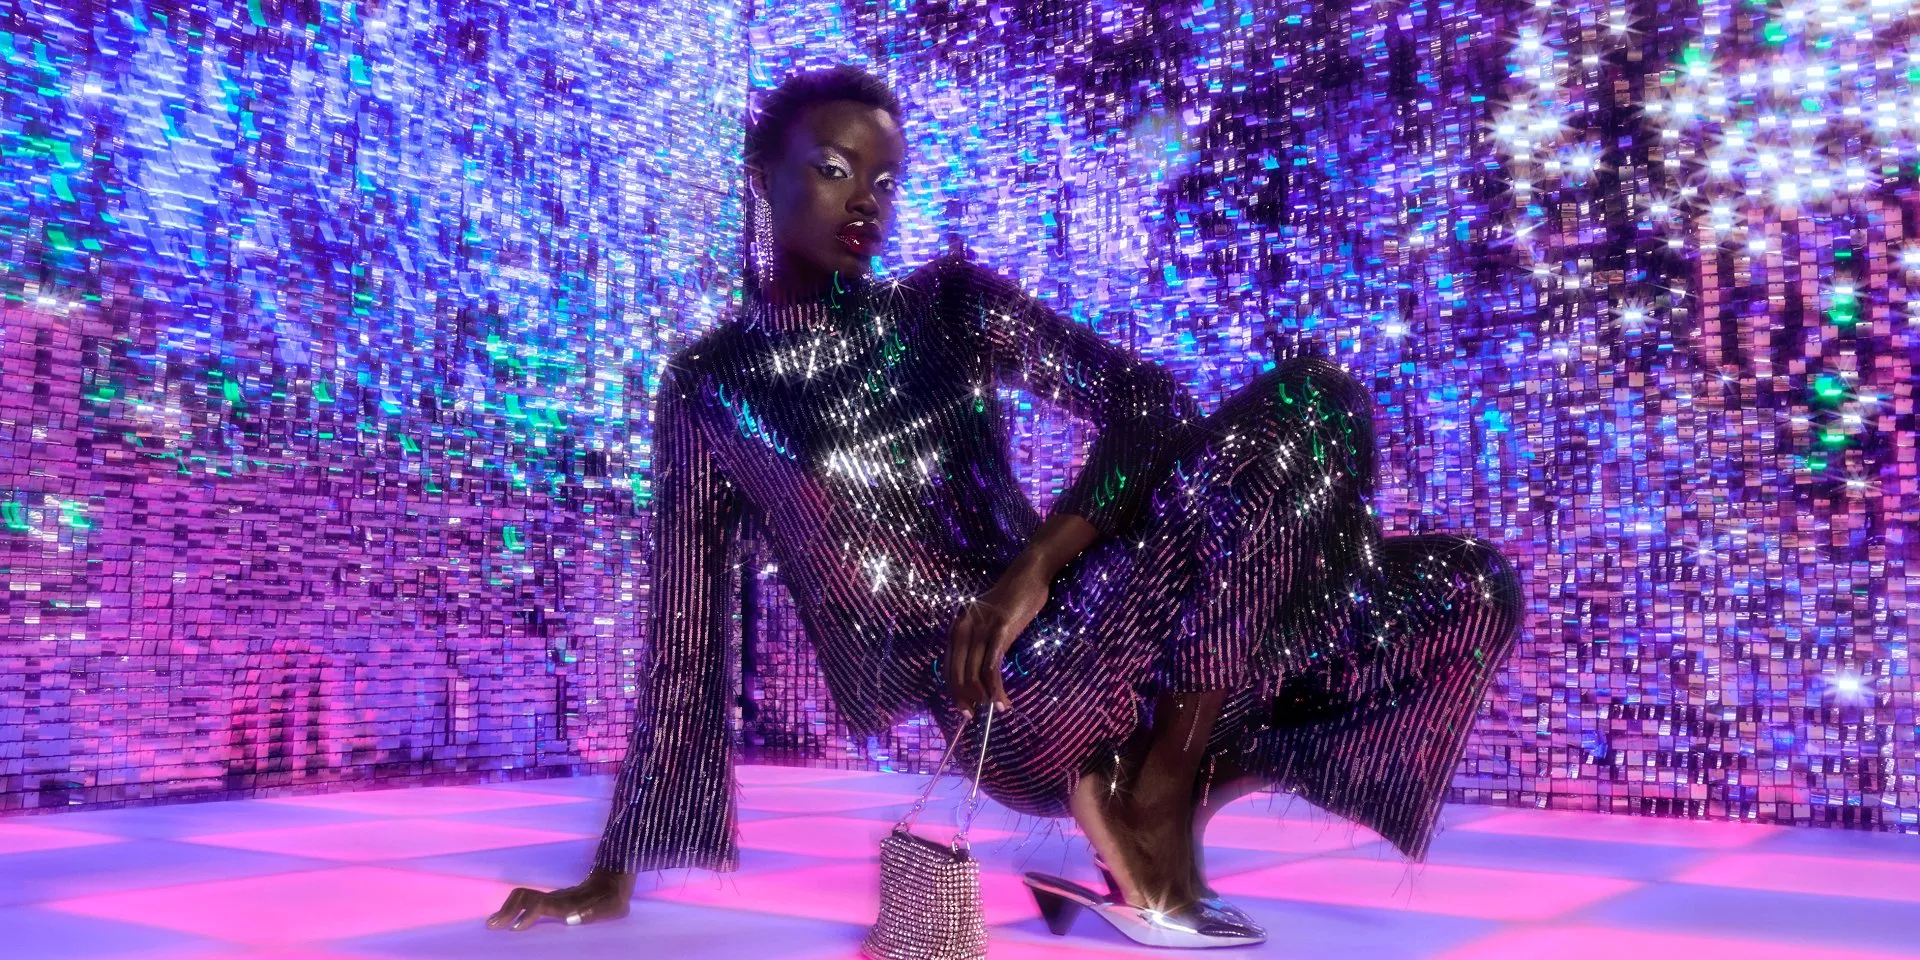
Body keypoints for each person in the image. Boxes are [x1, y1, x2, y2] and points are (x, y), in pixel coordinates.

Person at [488, 63, 1523, 949]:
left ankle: (1155, 797)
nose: (865, 201)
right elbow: (684, 636)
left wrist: (1035, 567)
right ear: (764, 178)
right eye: (834, 168)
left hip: (1088, 625)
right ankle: (1144, 800)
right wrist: (610, 877)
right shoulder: (714, 386)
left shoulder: (945, 307)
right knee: (1308, 406)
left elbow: (1146, 405)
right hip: (1005, 704)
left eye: (884, 179)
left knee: (1466, 586)